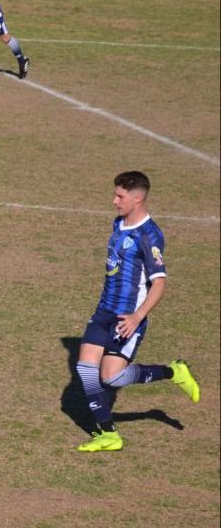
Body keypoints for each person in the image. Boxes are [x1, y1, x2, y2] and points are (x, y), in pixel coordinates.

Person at [75, 171, 200, 452]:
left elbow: (160, 283)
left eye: (120, 196)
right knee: (85, 370)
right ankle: (109, 435)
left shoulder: (150, 235)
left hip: (127, 318)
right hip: (103, 311)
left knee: (110, 378)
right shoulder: (118, 224)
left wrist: (137, 316)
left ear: (138, 198)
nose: (114, 201)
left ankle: (173, 372)